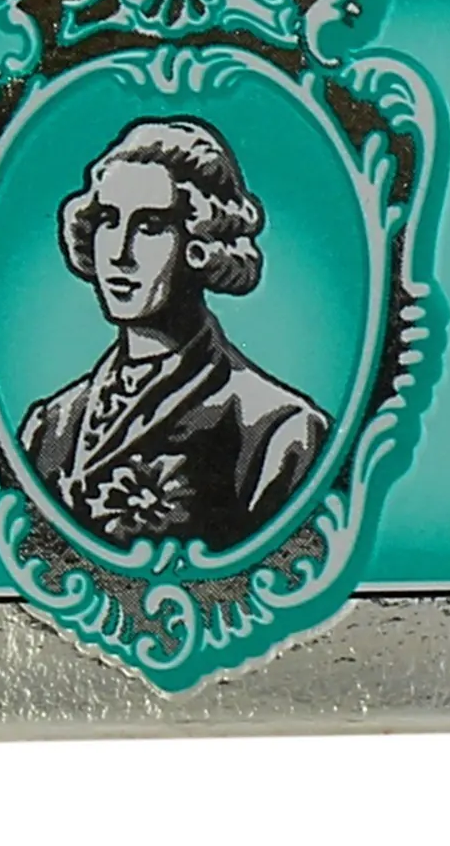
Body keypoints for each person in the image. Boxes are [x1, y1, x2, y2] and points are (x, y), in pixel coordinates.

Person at [21, 118, 329, 553]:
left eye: (150, 226)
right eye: (108, 220)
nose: (119, 252)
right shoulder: (49, 426)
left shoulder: (276, 432)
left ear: (201, 245)